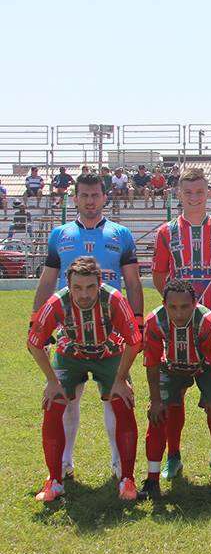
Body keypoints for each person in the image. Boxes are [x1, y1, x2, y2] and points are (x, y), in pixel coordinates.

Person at [32, 172, 144, 479]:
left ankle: (120, 467)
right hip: (71, 334)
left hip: (112, 336)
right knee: (67, 401)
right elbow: (47, 280)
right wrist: (36, 318)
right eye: (84, 195)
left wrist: (136, 320)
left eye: (95, 195)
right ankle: (63, 466)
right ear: (75, 197)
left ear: (104, 196)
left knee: (116, 399)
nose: (90, 201)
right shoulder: (60, 235)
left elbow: (133, 282)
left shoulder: (121, 233)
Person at [28, 257, 142, 502]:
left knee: (122, 403)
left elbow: (134, 341)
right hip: (71, 354)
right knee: (54, 404)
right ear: (68, 285)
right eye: (77, 287)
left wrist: (121, 380)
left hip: (110, 352)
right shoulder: (57, 302)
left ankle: (126, 477)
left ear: (100, 283)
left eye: (90, 287)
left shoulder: (113, 299)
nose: (84, 294)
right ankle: (56, 477)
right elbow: (34, 343)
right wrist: (51, 381)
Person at [151, 167, 211, 477]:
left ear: (208, 194)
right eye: (188, 192)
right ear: (179, 194)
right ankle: (173, 456)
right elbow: (160, 276)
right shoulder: (166, 232)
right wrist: (180, 309)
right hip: (176, 328)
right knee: (173, 397)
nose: (194, 197)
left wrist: (208, 305)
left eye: (199, 191)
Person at [138, 278, 211, 498]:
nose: (179, 313)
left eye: (184, 307)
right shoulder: (154, 321)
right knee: (159, 414)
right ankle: (154, 478)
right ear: (164, 304)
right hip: (170, 366)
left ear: (194, 304)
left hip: (205, 367)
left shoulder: (208, 321)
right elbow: (152, 363)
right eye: (173, 307)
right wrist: (155, 400)